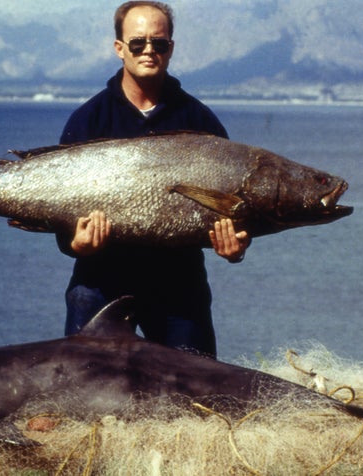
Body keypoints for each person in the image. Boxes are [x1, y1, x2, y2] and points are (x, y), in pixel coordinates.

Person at [57, 1, 250, 358]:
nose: (149, 50)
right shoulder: (88, 120)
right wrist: (75, 244)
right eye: (138, 42)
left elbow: (231, 208)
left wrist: (236, 248)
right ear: (119, 48)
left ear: (171, 49)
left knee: (198, 397)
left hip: (179, 284)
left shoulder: (200, 121)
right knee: (81, 392)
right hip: (101, 280)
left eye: (158, 43)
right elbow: (59, 213)